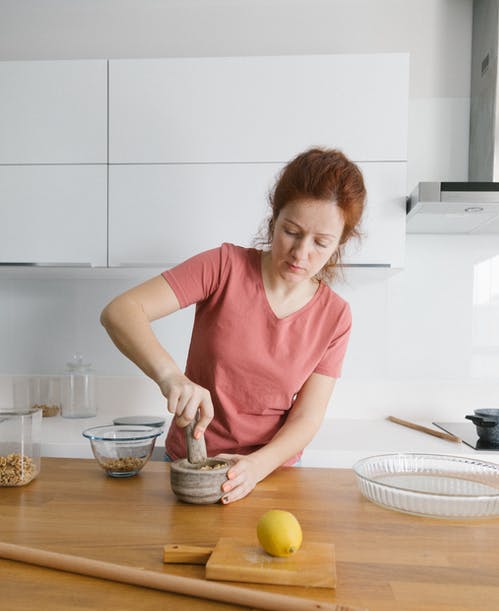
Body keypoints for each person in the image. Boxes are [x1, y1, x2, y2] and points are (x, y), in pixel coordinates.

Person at [100, 147, 366, 503]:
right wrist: (171, 376)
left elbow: (306, 418)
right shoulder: (224, 267)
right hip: (190, 468)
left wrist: (255, 467)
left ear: (340, 244)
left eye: (321, 242)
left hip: (271, 475)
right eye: (291, 231)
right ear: (273, 220)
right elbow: (121, 311)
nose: (301, 253)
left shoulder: (335, 316)